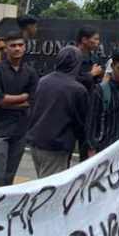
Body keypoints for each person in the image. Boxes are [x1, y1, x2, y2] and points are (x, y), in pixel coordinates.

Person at [0, 31, 39, 187]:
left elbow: (33, 100)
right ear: (6, 49)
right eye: (13, 45)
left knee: (9, 177)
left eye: (20, 45)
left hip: (20, 131)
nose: (17, 48)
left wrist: (7, 100)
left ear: (25, 48)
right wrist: (23, 97)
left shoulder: (30, 72)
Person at [25, 48, 89, 178]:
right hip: (56, 146)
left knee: (42, 181)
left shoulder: (43, 81)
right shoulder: (77, 89)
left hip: (36, 142)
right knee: (50, 189)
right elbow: (81, 121)